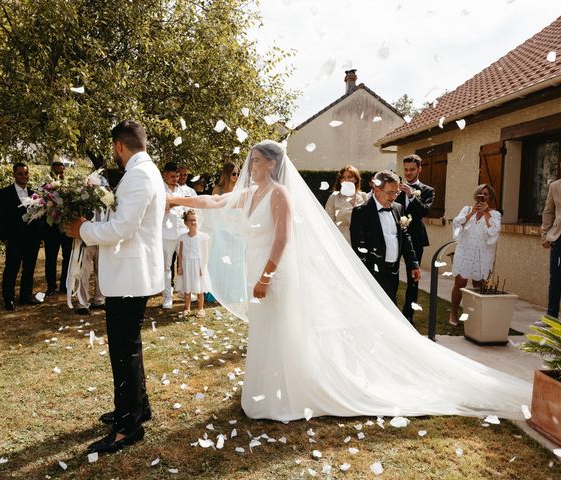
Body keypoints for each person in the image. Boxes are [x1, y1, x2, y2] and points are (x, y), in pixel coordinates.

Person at [168, 140, 529, 423]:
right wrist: (175, 199)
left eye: (259, 161)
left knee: (282, 330)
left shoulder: (279, 194)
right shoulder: (252, 194)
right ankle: (266, 391)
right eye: (253, 162)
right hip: (258, 271)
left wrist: (267, 275)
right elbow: (216, 203)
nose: (253, 167)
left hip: (275, 274)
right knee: (265, 331)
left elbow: (282, 239)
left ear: (273, 164)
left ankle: (290, 393)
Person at [64, 120, 165, 453]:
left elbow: (123, 228)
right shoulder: (148, 171)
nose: (113, 154)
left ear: (119, 146)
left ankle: (128, 426)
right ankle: (139, 407)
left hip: (129, 278)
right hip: (132, 275)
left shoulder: (138, 175)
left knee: (124, 353)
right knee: (129, 348)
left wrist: (84, 230)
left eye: (113, 149)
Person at [350, 170, 421, 306]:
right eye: (390, 192)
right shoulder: (361, 212)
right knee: (385, 307)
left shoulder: (398, 208)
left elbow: (405, 238)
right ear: (376, 190)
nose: (394, 197)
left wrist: (413, 263)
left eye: (396, 192)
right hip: (373, 272)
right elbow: (359, 247)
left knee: (387, 307)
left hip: (393, 270)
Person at [449, 184, 501, 326]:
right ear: (476, 195)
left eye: (486, 194)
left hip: (482, 253)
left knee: (478, 284)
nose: (483, 196)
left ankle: (474, 315)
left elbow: (494, 231)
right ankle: (453, 313)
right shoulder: (466, 209)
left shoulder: (495, 214)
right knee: (460, 282)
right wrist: (472, 212)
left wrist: (486, 213)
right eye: (481, 193)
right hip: (465, 250)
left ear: (490, 197)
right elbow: (457, 223)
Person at [0, 162, 42, 311]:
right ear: (14, 175)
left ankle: (25, 296)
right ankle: (8, 299)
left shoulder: (35, 194)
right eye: (20, 173)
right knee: (11, 269)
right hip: (13, 239)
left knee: (29, 269)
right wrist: (4, 237)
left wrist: (38, 237)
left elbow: (39, 217)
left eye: (26, 174)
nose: (24, 177)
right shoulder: (3, 193)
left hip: (31, 240)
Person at [396, 154, 435, 323]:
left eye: (412, 169)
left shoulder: (427, 190)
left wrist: (412, 196)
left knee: (413, 278)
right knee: (390, 274)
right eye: (406, 169)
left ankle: (408, 316)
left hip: (416, 238)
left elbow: (425, 211)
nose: (408, 173)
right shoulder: (395, 187)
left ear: (420, 169)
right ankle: (391, 310)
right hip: (395, 236)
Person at [161, 162, 192, 308]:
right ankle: (167, 297)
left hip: (181, 231)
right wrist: (176, 202)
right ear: (165, 174)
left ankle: (184, 291)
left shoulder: (182, 190)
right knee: (167, 267)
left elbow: (188, 209)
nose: (175, 179)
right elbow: (161, 208)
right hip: (166, 232)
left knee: (185, 264)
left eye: (177, 176)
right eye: (172, 176)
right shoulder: (160, 188)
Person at [43, 161, 72, 296]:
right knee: (50, 258)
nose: (59, 175)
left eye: (61, 172)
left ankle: (64, 285)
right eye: (56, 172)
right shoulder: (44, 189)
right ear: (51, 173)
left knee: (68, 257)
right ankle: (51, 286)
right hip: (51, 230)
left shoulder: (69, 188)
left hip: (66, 229)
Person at [176, 210, 211, 318]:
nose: (193, 222)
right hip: (187, 264)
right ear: (185, 223)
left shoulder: (203, 236)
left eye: (195, 220)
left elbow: (205, 254)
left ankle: (200, 308)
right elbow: (180, 254)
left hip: (198, 264)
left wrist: (203, 267)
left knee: (199, 287)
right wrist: (180, 266)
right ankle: (187, 307)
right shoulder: (182, 237)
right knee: (187, 286)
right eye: (190, 220)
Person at [324, 164, 368, 243]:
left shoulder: (363, 196)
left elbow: (369, 221)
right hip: (341, 240)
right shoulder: (333, 198)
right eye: (343, 177)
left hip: (362, 241)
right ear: (340, 180)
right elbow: (328, 222)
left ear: (355, 179)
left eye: (350, 177)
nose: (346, 180)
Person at [542, 178, 561, 320]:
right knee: (555, 278)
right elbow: (548, 212)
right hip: (559, 237)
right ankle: (551, 317)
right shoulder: (555, 186)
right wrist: (545, 234)